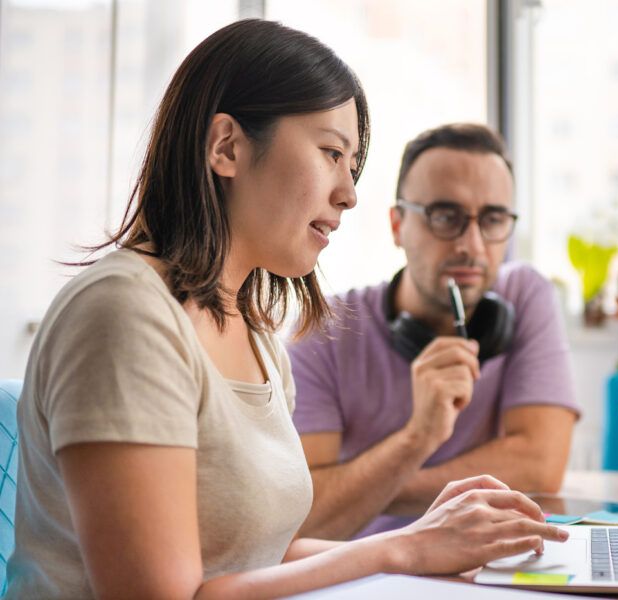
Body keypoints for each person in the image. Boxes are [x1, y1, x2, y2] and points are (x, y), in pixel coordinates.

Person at [7, 20, 568, 598]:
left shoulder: (255, 333)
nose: (349, 193)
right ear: (226, 146)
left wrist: (430, 545)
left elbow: (265, 553)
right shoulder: (124, 314)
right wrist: (400, 548)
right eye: (331, 153)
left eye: (351, 165)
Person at [289, 123, 580, 541]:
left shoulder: (526, 294)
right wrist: (417, 438)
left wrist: (369, 488)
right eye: (446, 217)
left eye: (494, 219)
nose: (473, 246)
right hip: (369, 569)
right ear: (396, 225)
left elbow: (540, 466)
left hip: (490, 564)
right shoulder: (324, 327)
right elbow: (304, 516)